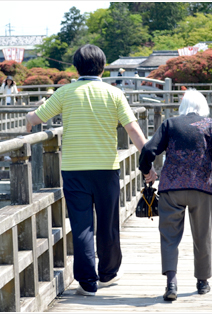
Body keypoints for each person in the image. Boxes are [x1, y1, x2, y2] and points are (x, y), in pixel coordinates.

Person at [25, 44, 152, 296]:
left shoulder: (65, 92)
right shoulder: (114, 94)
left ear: (76, 67)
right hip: (106, 168)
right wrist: (148, 165)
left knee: (82, 226)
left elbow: (37, 117)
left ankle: (87, 283)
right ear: (103, 67)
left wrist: (27, 123)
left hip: (74, 170)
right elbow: (135, 132)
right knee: (108, 224)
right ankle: (108, 274)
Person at [138, 89, 212, 302]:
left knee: (169, 236)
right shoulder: (209, 124)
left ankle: (171, 283)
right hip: (202, 188)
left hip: (172, 187)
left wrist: (147, 171)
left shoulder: (170, 124)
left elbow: (147, 150)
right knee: (202, 235)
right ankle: (202, 282)